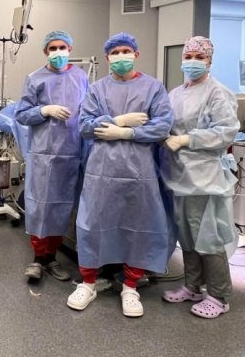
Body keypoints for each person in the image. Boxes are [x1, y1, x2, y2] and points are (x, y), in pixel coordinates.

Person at [68, 32, 174, 318]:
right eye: (115, 53)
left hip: (139, 172)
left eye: (126, 51)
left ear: (136, 54)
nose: (120, 57)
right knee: (92, 224)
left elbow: (163, 126)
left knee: (138, 225)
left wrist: (127, 133)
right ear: (107, 58)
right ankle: (88, 283)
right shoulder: (97, 89)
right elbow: (85, 126)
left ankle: (130, 286)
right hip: (101, 171)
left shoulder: (153, 87)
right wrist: (116, 121)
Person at [160, 36, 239, 319]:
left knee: (209, 237)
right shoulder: (175, 93)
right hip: (180, 175)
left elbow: (226, 132)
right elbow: (166, 123)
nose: (192, 61)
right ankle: (192, 286)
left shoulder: (217, 92)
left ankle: (218, 296)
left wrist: (187, 139)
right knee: (188, 236)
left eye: (199, 57)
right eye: (188, 56)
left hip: (205, 178)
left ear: (209, 61)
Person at [15, 31, 89, 282]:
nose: (58, 52)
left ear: (70, 49)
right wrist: (44, 110)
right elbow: (21, 114)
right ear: (45, 52)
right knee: (40, 206)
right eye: (53, 48)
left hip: (72, 152)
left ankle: (51, 258)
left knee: (61, 207)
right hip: (44, 155)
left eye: (62, 47)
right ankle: (38, 258)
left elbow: (89, 111)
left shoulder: (81, 77)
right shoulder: (35, 78)